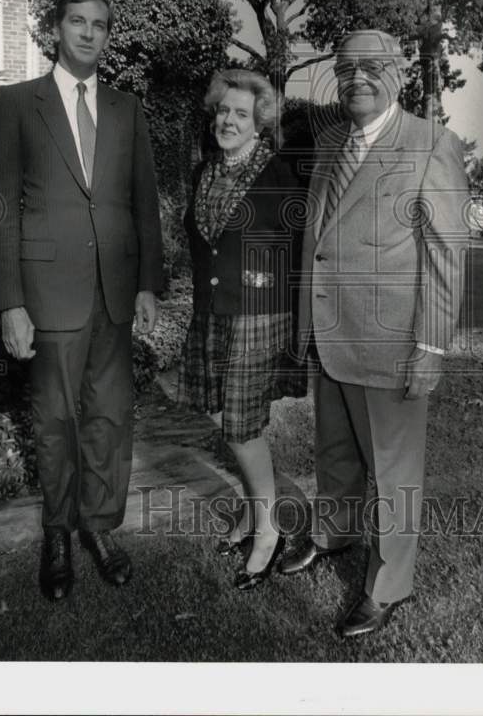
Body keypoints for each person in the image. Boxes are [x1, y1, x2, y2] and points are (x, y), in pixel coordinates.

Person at [278, 29, 469, 638]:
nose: (356, 77)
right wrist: (306, 324)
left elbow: (445, 254)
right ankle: (335, 533)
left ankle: (390, 584)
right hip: (332, 333)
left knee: (393, 470)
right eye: (346, 67)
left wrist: (432, 345)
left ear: (398, 72)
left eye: (371, 66)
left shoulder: (432, 143)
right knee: (334, 451)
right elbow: (318, 239)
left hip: (391, 341)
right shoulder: (331, 141)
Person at [0, 0, 162, 602]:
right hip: (48, 291)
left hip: (114, 292)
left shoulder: (126, 109)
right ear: (56, 29)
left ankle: (100, 527)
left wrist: (147, 284)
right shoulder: (17, 103)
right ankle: (57, 532)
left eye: (100, 25)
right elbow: (0, 209)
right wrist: (11, 301)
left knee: (110, 420)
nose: (89, 33)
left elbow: (144, 203)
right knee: (56, 421)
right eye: (77, 22)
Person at [176, 69, 306, 590]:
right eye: (223, 111)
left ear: (259, 123)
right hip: (212, 311)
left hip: (257, 315)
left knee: (242, 427)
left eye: (241, 114)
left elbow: (296, 249)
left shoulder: (277, 174)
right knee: (219, 413)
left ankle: (268, 531)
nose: (228, 120)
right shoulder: (204, 172)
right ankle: (256, 513)